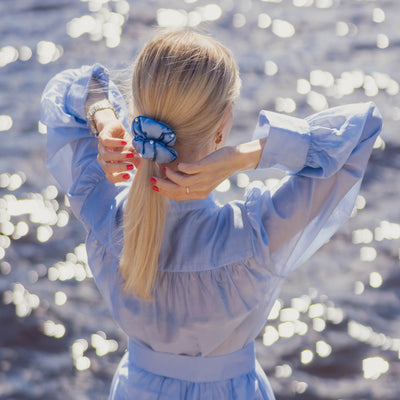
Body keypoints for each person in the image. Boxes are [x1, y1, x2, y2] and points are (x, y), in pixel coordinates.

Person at [41, 29, 383, 400]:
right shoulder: (255, 237)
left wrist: (104, 118)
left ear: (137, 112)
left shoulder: (103, 210)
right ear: (222, 127)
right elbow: (359, 131)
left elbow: (72, 88)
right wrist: (247, 156)